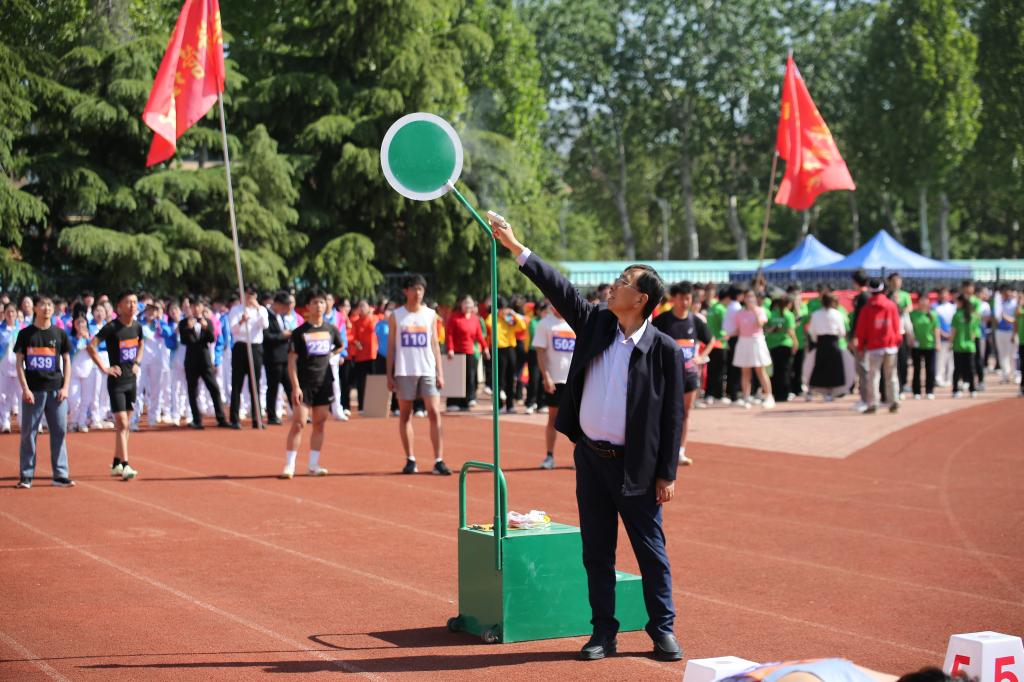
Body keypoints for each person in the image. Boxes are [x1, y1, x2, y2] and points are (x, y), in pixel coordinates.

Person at [489, 211, 685, 663]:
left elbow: (672, 418)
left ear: (641, 299)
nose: (613, 286)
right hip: (591, 460)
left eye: (622, 282)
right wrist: (516, 247)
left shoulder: (664, 351)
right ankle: (603, 632)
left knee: (650, 552)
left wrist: (667, 473)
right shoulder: (595, 323)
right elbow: (559, 288)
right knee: (597, 552)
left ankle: (663, 629)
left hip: (636, 469)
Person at [387, 275, 450, 476]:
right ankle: (410, 459)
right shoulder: (396, 316)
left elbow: (435, 344)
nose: (418, 293)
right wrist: (389, 374)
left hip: (427, 369)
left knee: (434, 412)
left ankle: (438, 460)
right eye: (414, 289)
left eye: (421, 289)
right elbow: (391, 347)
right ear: (406, 291)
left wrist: (440, 372)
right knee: (405, 415)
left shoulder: (430, 314)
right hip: (405, 371)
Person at [280, 289, 345, 478]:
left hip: (324, 383)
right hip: (304, 384)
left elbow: (340, 344)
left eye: (322, 302)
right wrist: (295, 386)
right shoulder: (299, 332)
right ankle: (289, 465)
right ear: (308, 306)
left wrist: (331, 354)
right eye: (315, 303)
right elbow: (291, 361)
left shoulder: (330, 329)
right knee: (299, 423)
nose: (319, 306)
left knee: (320, 423)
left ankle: (313, 464)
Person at [14, 295, 74, 489]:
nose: (46, 308)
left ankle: (60, 475)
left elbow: (67, 361)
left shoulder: (59, 334)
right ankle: (26, 475)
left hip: (56, 391)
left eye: (49, 305)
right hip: (33, 392)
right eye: (42, 305)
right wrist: (25, 389)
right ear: (35, 309)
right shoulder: (25, 334)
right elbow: (19, 363)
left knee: (59, 431)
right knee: (29, 434)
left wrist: (65, 387)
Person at [652, 281, 712, 466]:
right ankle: (661, 449)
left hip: (689, 375)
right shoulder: (662, 321)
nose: (685, 302)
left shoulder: (695, 321)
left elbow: (710, 340)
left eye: (688, 298)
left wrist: (701, 356)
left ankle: (680, 451)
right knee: (664, 412)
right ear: (674, 299)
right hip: (667, 376)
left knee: (685, 413)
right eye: (681, 298)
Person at [87, 291, 143, 480]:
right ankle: (125, 465)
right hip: (117, 381)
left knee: (124, 425)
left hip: (131, 381)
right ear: (119, 306)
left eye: (135, 302)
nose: (132, 305)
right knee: (123, 423)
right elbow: (91, 346)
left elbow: (141, 344)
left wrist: (137, 362)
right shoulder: (112, 327)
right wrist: (104, 368)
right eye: (128, 302)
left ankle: (117, 462)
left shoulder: (137, 326)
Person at [532, 301, 576, 469]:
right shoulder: (545, 324)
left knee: (577, 421)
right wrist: (546, 377)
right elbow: (540, 353)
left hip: (573, 381)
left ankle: (578, 458)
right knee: (553, 418)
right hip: (555, 380)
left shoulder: (575, 322)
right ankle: (549, 456)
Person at [179, 299, 230, 429]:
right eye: (194, 306)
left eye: (198, 306)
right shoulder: (184, 323)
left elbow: (211, 339)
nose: (196, 309)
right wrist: (189, 329)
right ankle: (196, 419)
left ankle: (221, 418)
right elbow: (184, 340)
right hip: (191, 361)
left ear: (202, 308)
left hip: (205, 360)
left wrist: (206, 327)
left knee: (214, 388)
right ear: (190, 308)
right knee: (192, 391)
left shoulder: (207, 321)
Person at [854, 280, 902, 414]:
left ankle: (873, 404)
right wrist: (897, 341)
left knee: (873, 376)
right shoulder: (891, 306)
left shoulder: (866, 308)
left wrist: (861, 346)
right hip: (890, 346)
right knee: (891, 376)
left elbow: (861, 329)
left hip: (874, 347)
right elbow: (897, 325)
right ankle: (894, 401)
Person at [228, 287, 269, 429]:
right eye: (248, 294)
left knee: (255, 384)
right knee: (237, 384)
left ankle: (257, 419)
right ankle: (234, 419)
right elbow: (233, 329)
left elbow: (265, 325)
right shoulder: (236, 310)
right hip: (240, 347)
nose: (250, 297)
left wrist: (257, 309)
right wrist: (241, 321)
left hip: (255, 347)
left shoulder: (261, 310)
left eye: (253, 294)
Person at [733, 290, 775, 409]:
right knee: (745, 371)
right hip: (743, 341)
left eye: (752, 296)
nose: (749, 299)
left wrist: (755, 311)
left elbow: (760, 324)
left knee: (760, 370)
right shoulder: (739, 313)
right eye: (747, 297)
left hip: (756, 341)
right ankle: (746, 398)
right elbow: (738, 329)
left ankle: (769, 397)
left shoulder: (760, 311)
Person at [445, 294, 488, 412]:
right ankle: (453, 402)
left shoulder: (475, 319)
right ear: (461, 304)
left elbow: (479, 335)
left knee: (470, 377)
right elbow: (449, 334)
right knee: (456, 378)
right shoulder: (454, 317)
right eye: (465, 303)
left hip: (470, 352)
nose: (468, 305)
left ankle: (467, 401)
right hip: (457, 352)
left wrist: (485, 347)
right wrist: (450, 349)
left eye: (470, 303)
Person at [486, 296, 527, 414]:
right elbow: (489, 324)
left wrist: (513, 315)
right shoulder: (492, 317)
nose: (504, 310)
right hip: (498, 350)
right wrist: (498, 315)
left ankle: (510, 405)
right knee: (499, 379)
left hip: (510, 349)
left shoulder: (509, 317)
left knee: (510, 377)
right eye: (502, 308)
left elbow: (522, 327)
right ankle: (498, 405)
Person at [806, 292, 849, 400]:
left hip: (821, 342)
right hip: (833, 342)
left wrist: (816, 340)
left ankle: (810, 392)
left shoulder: (816, 314)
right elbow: (842, 332)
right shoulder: (837, 314)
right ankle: (829, 394)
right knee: (832, 368)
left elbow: (812, 331)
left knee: (818, 367)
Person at [263, 291, 295, 425]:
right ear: (277, 304)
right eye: (284, 307)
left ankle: (298, 412)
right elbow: (266, 336)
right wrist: (283, 335)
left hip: (285, 356)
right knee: (273, 387)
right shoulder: (266, 315)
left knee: (290, 386)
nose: (285, 310)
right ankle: (271, 416)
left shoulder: (281, 316)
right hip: (273, 357)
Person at [764, 295, 798, 403]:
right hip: (785, 344)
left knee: (775, 370)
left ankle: (776, 393)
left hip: (772, 344)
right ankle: (784, 393)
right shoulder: (789, 315)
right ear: (789, 303)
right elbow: (791, 331)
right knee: (785, 370)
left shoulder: (772, 314)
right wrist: (795, 342)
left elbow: (766, 328)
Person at [350, 299, 380, 413]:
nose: (362, 308)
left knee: (374, 382)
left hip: (373, 355)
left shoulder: (375, 318)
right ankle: (362, 406)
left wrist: (371, 315)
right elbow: (352, 336)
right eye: (360, 306)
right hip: (361, 356)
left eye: (364, 306)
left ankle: (374, 405)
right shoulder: (356, 322)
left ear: (369, 307)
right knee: (361, 382)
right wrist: (356, 342)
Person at [849, 269, 872, 412]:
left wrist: (855, 337)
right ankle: (865, 398)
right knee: (863, 369)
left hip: (862, 339)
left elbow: (859, 320)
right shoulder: (866, 296)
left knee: (863, 369)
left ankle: (866, 399)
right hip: (865, 338)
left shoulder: (863, 297)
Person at [908, 292, 939, 399]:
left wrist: (937, 343)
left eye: (925, 300)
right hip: (917, 345)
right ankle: (916, 391)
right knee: (917, 369)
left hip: (930, 345)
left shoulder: (933, 314)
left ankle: (929, 390)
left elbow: (936, 329)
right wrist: (911, 340)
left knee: (930, 369)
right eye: (921, 300)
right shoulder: (913, 314)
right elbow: (909, 328)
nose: (923, 302)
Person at [0, 303, 25, 432]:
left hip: (19, 368)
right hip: (3, 368)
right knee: (3, 396)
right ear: (4, 314)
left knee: (21, 395)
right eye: (8, 312)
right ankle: (5, 422)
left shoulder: (22, 330)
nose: (10, 314)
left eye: (13, 312)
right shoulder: (0, 330)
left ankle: (22, 422)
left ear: (16, 314)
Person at [950, 294, 980, 398]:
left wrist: (951, 342)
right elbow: (975, 332)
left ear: (961, 303)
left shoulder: (957, 315)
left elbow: (953, 331)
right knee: (971, 369)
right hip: (970, 346)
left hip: (958, 346)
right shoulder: (973, 315)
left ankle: (955, 390)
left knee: (957, 369)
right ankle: (972, 389)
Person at [703, 285, 729, 406]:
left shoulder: (712, 307)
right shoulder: (721, 309)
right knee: (719, 371)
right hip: (720, 343)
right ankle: (717, 395)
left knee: (711, 370)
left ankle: (709, 394)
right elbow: (725, 327)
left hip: (711, 343)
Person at [993, 284, 1018, 384]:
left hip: (1011, 331)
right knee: (1002, 354)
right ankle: (1005, 375)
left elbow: (1016, 319)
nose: (1005, 294)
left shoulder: (1015, 303)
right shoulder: (999, 303)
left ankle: (1015, 374)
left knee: (1013, 355)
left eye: (1007, 292)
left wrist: (1007, 319)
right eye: (1003, 292)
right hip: (1000, 331)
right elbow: (996, 316)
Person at [933, 287, 956, 387]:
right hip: (941, 338)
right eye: (941, 294)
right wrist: (942, 333)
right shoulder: (934, 307)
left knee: (950, 360)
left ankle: (949, 378)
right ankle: (939, 378)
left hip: (952, 337)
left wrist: (951, 334)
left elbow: (955, 323)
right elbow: (935, 324)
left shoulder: (953, 307)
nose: (943, 296)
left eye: (945, 294)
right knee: (940, 360)